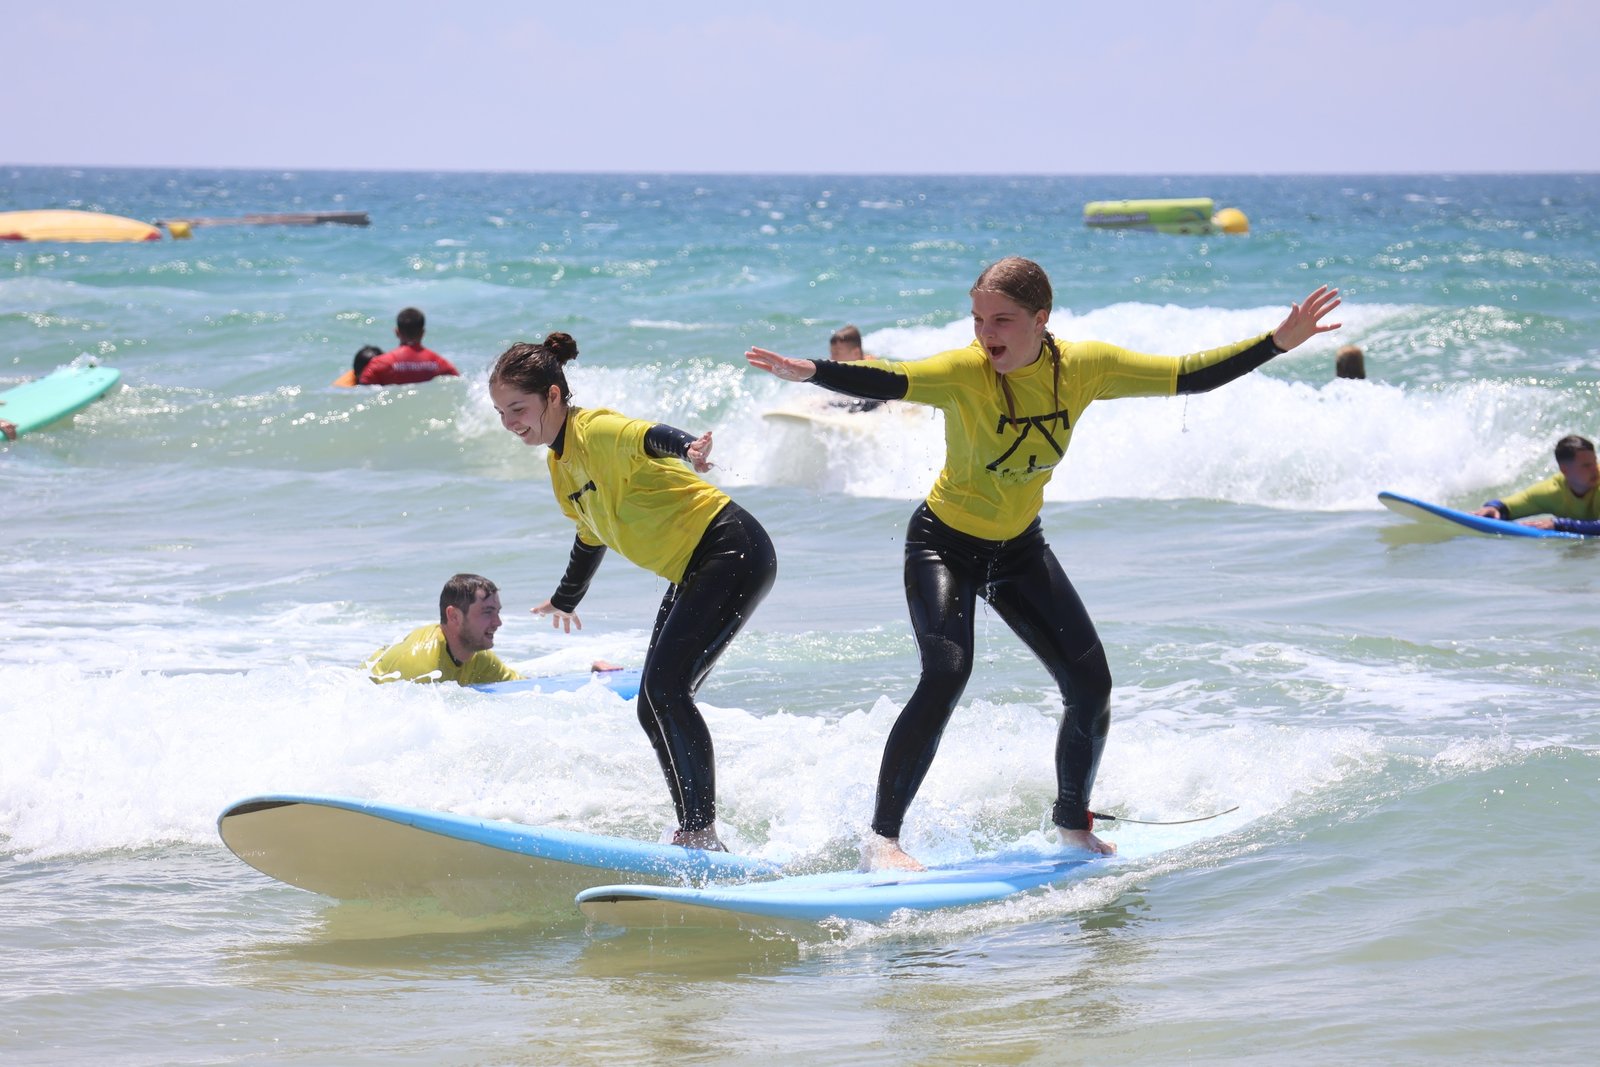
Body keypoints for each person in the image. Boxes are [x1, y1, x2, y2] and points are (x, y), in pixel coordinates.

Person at [746, 257, 1341, 871]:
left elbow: (1188, 376)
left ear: (1040, 319)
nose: (986, 333)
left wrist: (1276, 343)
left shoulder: (1086, 368)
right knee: (946, 672)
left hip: (1019, 549)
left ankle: (1072, 822)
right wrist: (814, 371)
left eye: (1001, 320)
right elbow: (893, 380)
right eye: (977, 319)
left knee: (1090, 685)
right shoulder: (964, 374)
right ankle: (884, 840)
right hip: (942, 544)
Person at [489, 332, 777, 851]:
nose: (509, 422)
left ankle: (700, 833)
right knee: (652, 702)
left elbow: (647, 437)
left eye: (517, 408)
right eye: (501, 412)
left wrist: (687, 446)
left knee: (667, 688)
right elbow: (589, 533)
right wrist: (566, 598)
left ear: (553, 396)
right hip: (696, 567)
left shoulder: (594, 429)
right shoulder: (559, 467)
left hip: (730, 549)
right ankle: (694, 827)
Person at [367, 573, 522, 685]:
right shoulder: (422, 669)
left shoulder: (478, 658)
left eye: (497, 612)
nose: (498, 622)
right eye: (487, 612)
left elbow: (521, 687)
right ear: (454, 615)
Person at [1473, 435, 1600, 533]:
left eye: (1595, 462)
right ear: (1564, 470)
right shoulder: (1553, 491)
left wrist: (1560, 525)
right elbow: (1510, 506)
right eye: (1586, 466)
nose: (1595, 469)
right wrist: (1495, 508)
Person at [358, 307, 461, 386]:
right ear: (423, 333)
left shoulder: (380, 364)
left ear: (397, 332)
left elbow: (362, 394)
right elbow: (458, 386)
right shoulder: (439, 364)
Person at [826, 325, 886, 412]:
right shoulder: (844, 371)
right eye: (831, 353)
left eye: (836, 353)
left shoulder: (870, 369)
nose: (832, 358)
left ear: (856, 353)